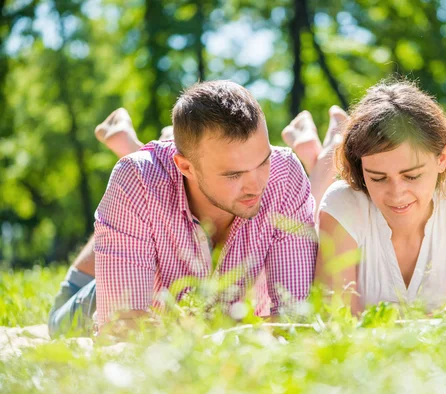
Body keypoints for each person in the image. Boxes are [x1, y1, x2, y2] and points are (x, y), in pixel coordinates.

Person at [48, 80, 347, 337]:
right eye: (233, 175)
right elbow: (122, 334)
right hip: (107, 291)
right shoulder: (135, 179)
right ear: (186, 166)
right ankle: (144, 152)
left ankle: (148, 144)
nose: (256, 185)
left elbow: (293, 317)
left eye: (262, 161)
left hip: (201, 302)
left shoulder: (283, 171)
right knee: (58, 324)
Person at [315, 79, 446, 314]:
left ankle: (335, 136)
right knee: (315, 194)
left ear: (441, 158)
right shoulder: (342, 204)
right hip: (326, 210)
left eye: (412, 176)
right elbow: (336, 325)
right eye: (378, 178)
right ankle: (329, 144)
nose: (397, 194)